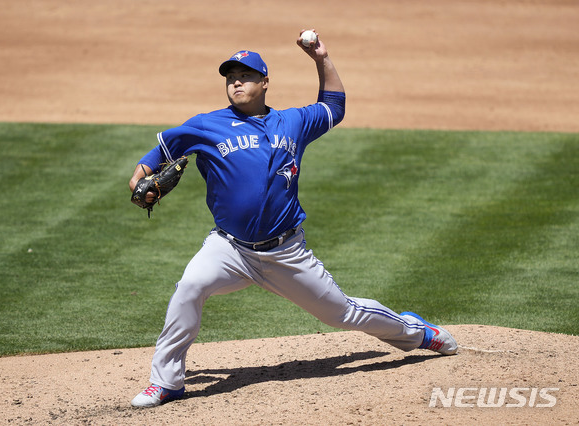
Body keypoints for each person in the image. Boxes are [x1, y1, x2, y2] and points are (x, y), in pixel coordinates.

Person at [128, 30, 457, 408]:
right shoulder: (206, 124)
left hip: (286, 252)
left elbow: (335, 106)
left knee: (342, 313)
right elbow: (161, 149)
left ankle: (418, 332)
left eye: (246, 75)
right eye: (230, 76)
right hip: (229, 248)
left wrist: (322, 58)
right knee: (189, 287)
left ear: (265, 82)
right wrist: (140, 174)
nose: (236, 81)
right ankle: (166, 381)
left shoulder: (293, 122)